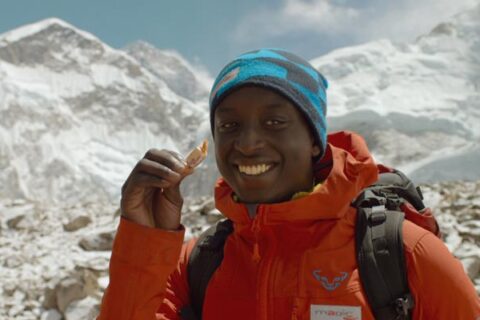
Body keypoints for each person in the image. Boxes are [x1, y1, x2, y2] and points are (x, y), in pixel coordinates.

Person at [97, 48, 480, 319]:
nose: (247, 143)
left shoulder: (402, 255)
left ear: (315, 140)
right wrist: (145, 236)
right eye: (229, 125)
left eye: (274, 122)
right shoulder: (198, 264)